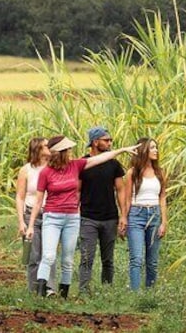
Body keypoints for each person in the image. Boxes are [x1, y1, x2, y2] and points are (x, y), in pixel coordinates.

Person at [25, 136, 139, 299]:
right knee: (49, 256)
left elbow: (101, 158)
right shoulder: (46, 172)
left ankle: (63, 294)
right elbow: (38, 202)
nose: (71, 152)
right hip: (52, 217)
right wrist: (30, 226)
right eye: (68, 150)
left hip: (72, 218)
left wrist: (121, 150)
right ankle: (41, 292)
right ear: (61, 152)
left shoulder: (76, 165)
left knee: (68, 259)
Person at [78, 126, 126, 294]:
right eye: (106, 140)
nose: (110, 143)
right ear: (95, 142)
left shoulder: (114, 164)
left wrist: (123, 216)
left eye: (110, 140)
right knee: (86, 257)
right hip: (88, 217)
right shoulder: (83, 163)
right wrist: (75, 213)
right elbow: (77, 190)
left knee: (108, 259)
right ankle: (84, 291)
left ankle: (107, 290)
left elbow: (120, 189)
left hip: (109, 217)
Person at [120, 137, 168, 290]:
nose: (156, 151)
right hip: (136, 214)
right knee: (137, 258)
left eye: (156, 147)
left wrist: (164, 222)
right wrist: (124, 219)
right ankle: (135, 294)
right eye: (152, 148)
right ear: (143, 150)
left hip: (154, 214)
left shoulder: (159, 172)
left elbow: (162, 197)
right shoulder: (132, 173)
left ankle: (150, 293)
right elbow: (127, 199)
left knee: (152, 260)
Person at [15, 137, 57, 295]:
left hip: (50, 213)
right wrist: (21, 221)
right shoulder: (26, 170)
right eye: (47, 146)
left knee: (49, 253)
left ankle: (49, 288)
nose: (50, 148)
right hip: (31, 213)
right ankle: (33, 289)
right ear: (38, 149)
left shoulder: (54, 167)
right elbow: (20, 196)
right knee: (34, 255)